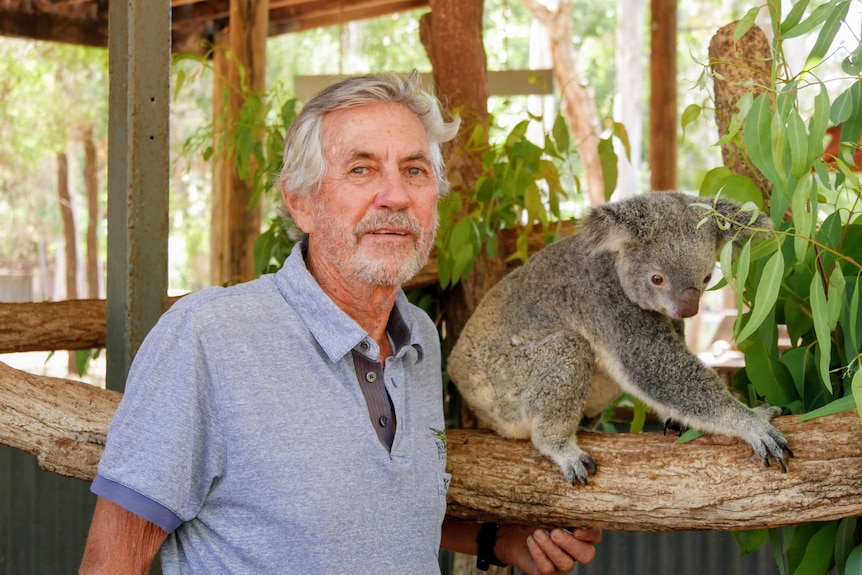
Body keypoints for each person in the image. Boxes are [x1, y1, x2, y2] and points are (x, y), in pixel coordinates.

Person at [79, 71, 601, 575]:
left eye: (415, 170)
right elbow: (112, 563)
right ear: (300, 202)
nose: (396, 196)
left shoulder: (416, 336)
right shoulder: (210, 338)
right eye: (362, 169)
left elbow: (370, 514)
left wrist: (501, 542)